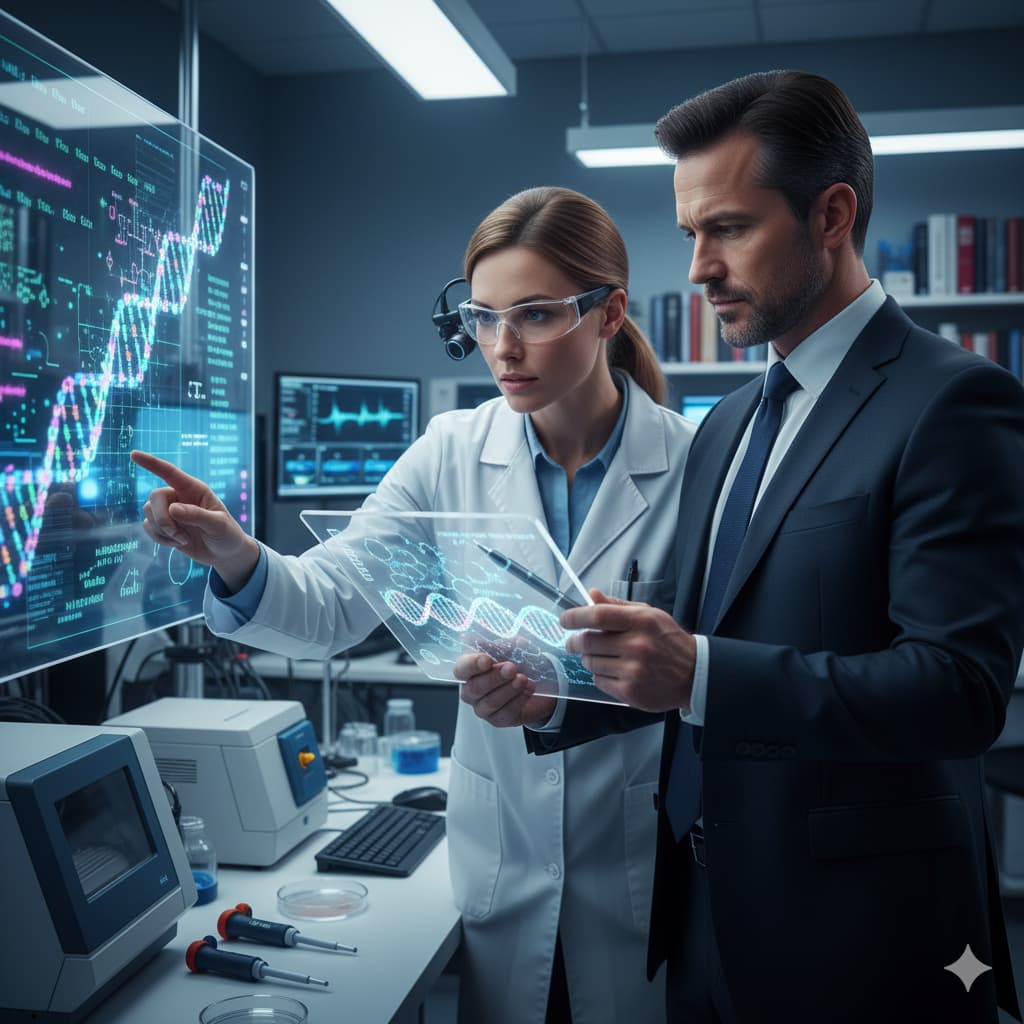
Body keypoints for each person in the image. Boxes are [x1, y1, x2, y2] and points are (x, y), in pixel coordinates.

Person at [456, 72, 1024, 1024]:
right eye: (689, 235)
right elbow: (679, 655)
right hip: (708, 920)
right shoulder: (727, 425)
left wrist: (702, 672)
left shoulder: (951, 402)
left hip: (862, 939)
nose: (699, 270)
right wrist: (553, 697)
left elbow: (959, 693)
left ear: (831, 214)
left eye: (729, 228)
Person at [132, 185, 696, 1024]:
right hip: (500, 864)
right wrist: (235, 555)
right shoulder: (451, 451)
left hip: (644, 869)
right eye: (483, 317)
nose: (503, 347)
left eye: (536, 316)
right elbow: (329, 603)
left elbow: (721, 670)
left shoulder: (696, 462)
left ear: (609, 315)